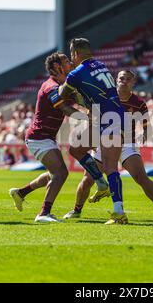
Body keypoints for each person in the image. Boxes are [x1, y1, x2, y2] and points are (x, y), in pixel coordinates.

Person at [63, 70, 153, 223]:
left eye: (128, 79)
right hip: (105, 142)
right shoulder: (105, 96)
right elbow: (92, 117)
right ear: (116, 80)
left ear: (133, 83)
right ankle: (76, 210)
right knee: (87, 180)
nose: (123, 81)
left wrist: (143, 134)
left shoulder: (139, 103)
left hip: (126, 144)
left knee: (141, 177)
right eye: (121, 78)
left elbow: (145, 125)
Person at [8, 52, 108, 223]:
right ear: (56, 67)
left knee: (52, 174)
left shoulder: (63, 85)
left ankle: (21, 193)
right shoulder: (51, 87)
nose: (70, 63)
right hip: (38, 138)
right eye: (66, 61)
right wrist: (88, 117)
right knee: (60, 173)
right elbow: (66, 110)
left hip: (46, 137)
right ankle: (43, 213)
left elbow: (79, 100)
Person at [59, 38, 128, 225]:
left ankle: (119, 212)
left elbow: (61, 94)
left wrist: (61, 86)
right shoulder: (101, 65)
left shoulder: (77, 72)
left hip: (110, 119)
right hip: (106, 117)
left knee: (111, 166)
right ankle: (100, 182)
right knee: (76, 148)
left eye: (72, 56)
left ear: (75, 54)